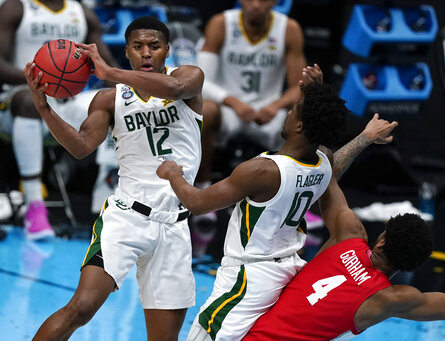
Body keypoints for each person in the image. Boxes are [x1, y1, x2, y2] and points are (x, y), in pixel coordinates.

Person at [156, 65, 398, 340]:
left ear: (299, 125)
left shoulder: (262, 171)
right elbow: (334, 167)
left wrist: (173, 175)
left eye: (294, 109)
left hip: (248, 277)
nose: (288, 112)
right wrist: (363, 137)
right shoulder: (322, 161)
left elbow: (197, 203)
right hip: (289, 271)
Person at [25, 16, 204, 340]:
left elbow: (176, 88)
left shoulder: (188, 78)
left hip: (175, 226)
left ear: (167, 50)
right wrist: (45, 109)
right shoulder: (109, 99)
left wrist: (109, 72)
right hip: (126, 218)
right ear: (128, 52)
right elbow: (80, 147)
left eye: (154, 46)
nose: (146, 53)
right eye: (138, 46)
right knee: (81, 307)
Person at [244, 178, 445, 339]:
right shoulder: (389, 298)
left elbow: (327, 173)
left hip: (243, 333)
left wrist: (364, 138)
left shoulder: (349, 234)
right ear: (411, 265)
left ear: (381, 241)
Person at [191, 0, 308, 253]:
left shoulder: (289, 29)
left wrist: (275, 106)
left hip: (268, 111)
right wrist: (234, 103)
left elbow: (298, 86)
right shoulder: (221, 24)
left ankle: (292, 202)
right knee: (205, 110)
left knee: (306, 115)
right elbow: (200, 79)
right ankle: (202, 190)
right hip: (229, 109)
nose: (256, 4)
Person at [0, 0, 117, 240]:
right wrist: (38, 80)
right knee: (29, 101)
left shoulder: (82, 11)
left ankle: (110, 203)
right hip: (18, 99)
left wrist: (131, 90)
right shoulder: (16, 7)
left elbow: (107, 66)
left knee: (117, 102)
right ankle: (35, 207)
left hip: (67, 102)